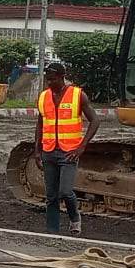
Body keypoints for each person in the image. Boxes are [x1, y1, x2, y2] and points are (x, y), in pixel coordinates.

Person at [33, 61, 97, 235]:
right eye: (47, 79)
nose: (49, 83)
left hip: (69, 152)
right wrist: (37, 151)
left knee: (66, 191)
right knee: (51, 196)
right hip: (48, 152)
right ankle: (52, 231)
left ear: (62, 77)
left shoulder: (78, 95)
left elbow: (95, 121)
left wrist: (81, 147)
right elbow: (40, 125)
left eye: (52, 79)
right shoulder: (44, 97)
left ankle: (75, 218)